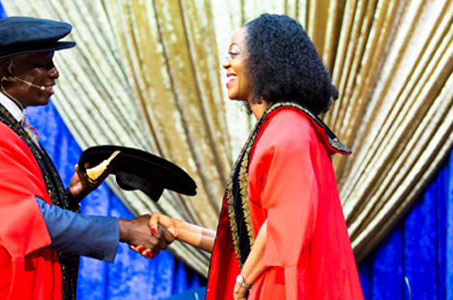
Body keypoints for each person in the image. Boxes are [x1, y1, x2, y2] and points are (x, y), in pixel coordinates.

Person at [0, 16, 173, 300]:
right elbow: (28, 222)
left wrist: (70, 197)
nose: (55, 73)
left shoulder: (6, 125)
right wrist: (127, 229)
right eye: (45, 64)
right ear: (9, 70)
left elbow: (20, 209)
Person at [135, 14, 364, 300]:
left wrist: (243, 283)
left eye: (234, 53)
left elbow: (284, 226)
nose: (225, 63)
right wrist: (179, 230)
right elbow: (249, 243)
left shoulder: (290, 129)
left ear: (264, 60)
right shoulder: (277, 128)